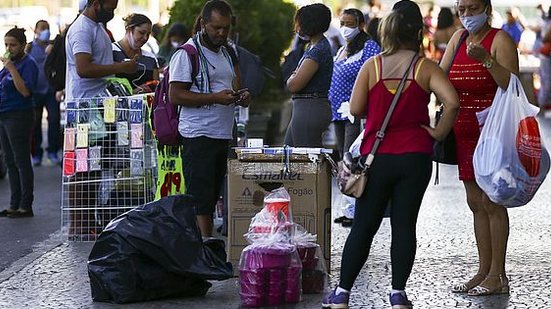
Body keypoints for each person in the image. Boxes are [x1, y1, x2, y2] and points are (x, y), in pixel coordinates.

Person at [322, 1, 459, 308]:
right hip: (415, 157)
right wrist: (437, 133)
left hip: (377, 157)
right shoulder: (425, 67)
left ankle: (342, 293)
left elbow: (356, 109)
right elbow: (452, 102)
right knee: (404, 224)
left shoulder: (374, 66)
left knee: (364, 225)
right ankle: (398, 293)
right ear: (418, 32)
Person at [441, 0, 519, 296]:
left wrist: (487, 60)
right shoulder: (458, 38)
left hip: (493, 133)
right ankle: (483, 270)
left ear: (487, 9)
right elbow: (440, 75)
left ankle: (498, 275)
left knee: (492, 202)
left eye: (473, 9)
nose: (467, 15)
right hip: (463, 132)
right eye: (462, 9)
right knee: (475, 203)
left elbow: (512, 85)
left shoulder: (500, 39)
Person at [168, 0, 250, 238]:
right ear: (203, 24)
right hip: (198, 133)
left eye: (225, 28)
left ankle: (207, 246)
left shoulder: (225, 51)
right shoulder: (187, 53)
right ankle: (205, 247)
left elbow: (233, 84)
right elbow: (176, 95)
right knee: (201, 197)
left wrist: (241, 95)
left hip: (221, 132)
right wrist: (214, 97)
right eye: (216, 28)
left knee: (213, 194)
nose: (221, 33)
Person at [0, 27, 39, 218]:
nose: (9, 48)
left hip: (19, 115)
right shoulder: (9, 64)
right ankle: (14, 204)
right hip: (4, 115)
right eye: (6, 44)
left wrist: (11, 68)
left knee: (21, 160)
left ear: (23, 45)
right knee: (9, 160)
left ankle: (26, 204)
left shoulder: (27, 64)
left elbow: (25, 91)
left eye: (13, 45)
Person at [65, 0, 138, 100]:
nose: (112, 14)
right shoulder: (82, 30)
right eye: (109, 9)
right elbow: (84, 69)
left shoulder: (98, 26)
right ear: (96, 5)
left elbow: (101, 61)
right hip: (85, 103)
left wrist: (124, 65)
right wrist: (121, 67)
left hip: (100, 101)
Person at [284, 3, 333, 147]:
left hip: (309, 107)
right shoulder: (313, 46)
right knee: (289, 155)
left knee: (304, 159)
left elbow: (294, 85)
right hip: (305, 107)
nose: (296, 29)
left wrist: (292, 77)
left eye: (299, 24)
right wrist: (294, 75)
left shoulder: (318, 51)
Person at [27, 20, 61, 167]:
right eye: (42, 28)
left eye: (47, 28)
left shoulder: (53, 46)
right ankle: (36, 154)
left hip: (51, 91)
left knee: (54, 120)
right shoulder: (29, 48)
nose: (45, 31)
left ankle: (52, 151)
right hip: (35, 91)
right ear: (36, 30)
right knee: (34, 124)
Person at [112, 13, 160, 93]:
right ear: (129, 29)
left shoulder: (150, 59)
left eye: (148, 34)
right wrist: (133, 92)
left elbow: (157, 90)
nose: (145, 38)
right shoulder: (111, 51)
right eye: (141, 33)